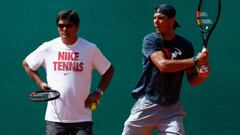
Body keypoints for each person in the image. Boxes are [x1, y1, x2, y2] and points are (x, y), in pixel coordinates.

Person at [122, 4, 209, 135]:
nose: (155, 22)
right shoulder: (151, 40)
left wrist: (202, 75)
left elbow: (192, 79)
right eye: (154, 18)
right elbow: (163, 65)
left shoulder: (185, 46)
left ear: (172, 20)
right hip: (148, 104)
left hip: (172, 109)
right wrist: (196, 60)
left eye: (160, 18)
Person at [22, 10, 114, 135]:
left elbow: (108, 71)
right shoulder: (48, 47)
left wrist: (98, 93)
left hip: (82, 119)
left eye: (69, 25)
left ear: (77, 26)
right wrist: (40, 83)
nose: (64, 29)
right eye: (61, 26)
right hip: (55, 119)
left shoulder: (89, 48)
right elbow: (27, 64)